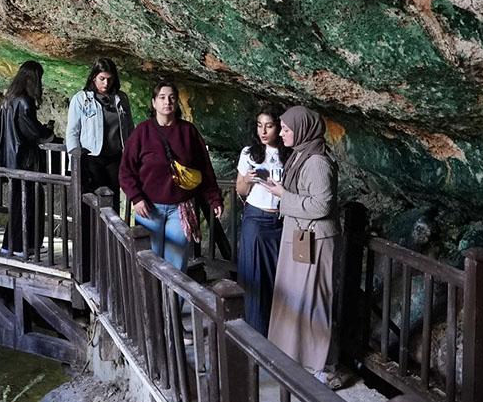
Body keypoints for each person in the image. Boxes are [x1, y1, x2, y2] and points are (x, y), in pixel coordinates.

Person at [258, 105, 345, 384]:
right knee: (297, 299)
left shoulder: (317, 162)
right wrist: (279, 191)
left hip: (316, 240)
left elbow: (321, 204)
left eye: (285, 129)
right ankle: (299, 358)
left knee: (316, 301)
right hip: (301, 237)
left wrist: (283, 195)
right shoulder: (299, 156)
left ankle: (322, 365)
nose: (281, 134)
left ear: (303, 129)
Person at [119, 81, 223, 272]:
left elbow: (205, 169)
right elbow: (126, 170)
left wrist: (214, 198)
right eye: (162, 97)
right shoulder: (142, 132)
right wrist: (136, 198)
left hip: (180, 208)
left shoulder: (188, 132)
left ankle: (173, 303)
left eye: (172, 98)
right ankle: (151, 302)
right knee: (149, 262)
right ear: (154, 103)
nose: (167, 102)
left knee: (176, 266)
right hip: (149, 207)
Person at [234, 105, 292, 335]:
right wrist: (247, 179)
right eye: (260, 125)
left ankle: (279, 333)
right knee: (255, 276)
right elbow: (240, 189)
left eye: (269, 125)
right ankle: (256, 332)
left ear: (278, 127)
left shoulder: (289, 153)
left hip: (280, 221)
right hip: (256, 219)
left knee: (280, 278)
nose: (263, 131)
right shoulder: (250, 153)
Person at [0, 61, 54, 256]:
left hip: (12, 161)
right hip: (25, 161)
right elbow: (31, 131)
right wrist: (47, 131)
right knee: (28, 202)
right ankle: (20, 246)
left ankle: (13, 244)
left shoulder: (9, 100)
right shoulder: (24, 101)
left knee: (19, 203)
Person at [65, 57, 133, 202]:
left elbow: (129, 128)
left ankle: (111, 225)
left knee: (113, 197)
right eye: (102, 78)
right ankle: (90, 225)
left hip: (115, 158)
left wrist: (131, 154)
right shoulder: (81, 99)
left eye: (110, 79)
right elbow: (72, 131)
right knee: (92, 199)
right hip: (91, 158)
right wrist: (75, 162)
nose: (106, 83)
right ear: (94, 77)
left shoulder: (121, 98)